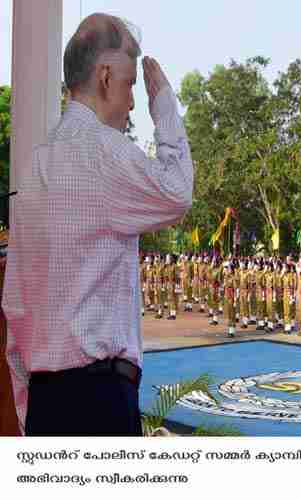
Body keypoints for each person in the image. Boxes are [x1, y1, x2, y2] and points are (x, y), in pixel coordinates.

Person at [3, 14, 193, 436]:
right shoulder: (107, 153)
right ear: (106, 76)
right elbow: (177, 192)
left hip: (46, 401)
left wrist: (27, 407)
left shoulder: (35, 168)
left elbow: (15, 305)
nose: (130, 103)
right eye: (129, 86)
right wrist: (163, 104)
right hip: (98, 399)